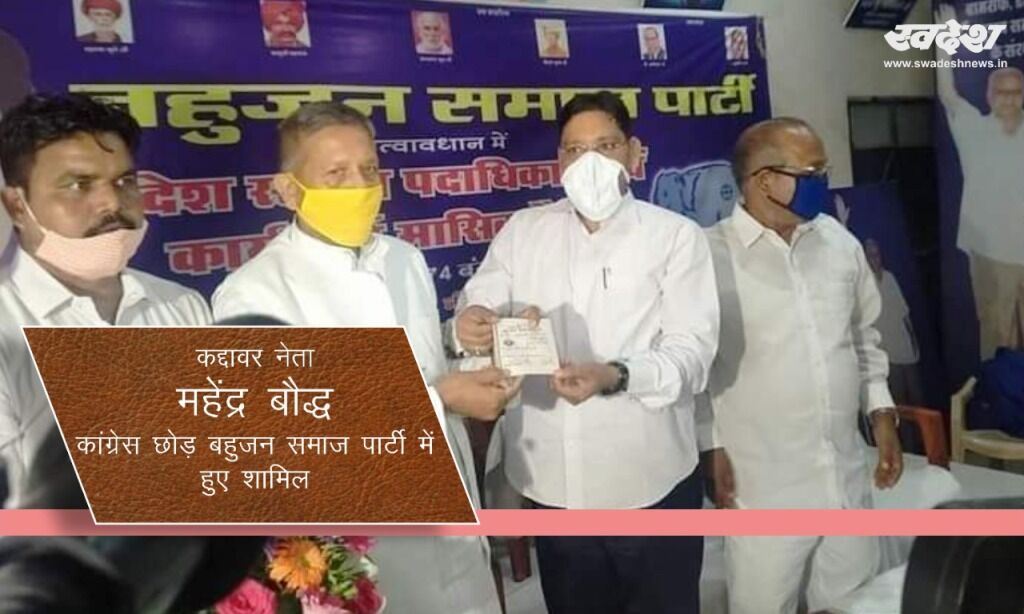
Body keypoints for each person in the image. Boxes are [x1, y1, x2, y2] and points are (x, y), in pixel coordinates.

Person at [212, 101, 509, 614]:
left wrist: (470, 360)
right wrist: (439, 399)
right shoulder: (253, 292)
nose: (359, 186)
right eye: (336, 174)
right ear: (288, 190)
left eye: (369, 169)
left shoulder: (404, 258)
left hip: (455, 522)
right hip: (367, 550)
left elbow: (423, 364)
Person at [454, 91, 719, 614]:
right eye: (575, 150)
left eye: (606, 145)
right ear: (559, 161)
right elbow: (480, 300)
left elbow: (691, 353)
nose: (590, 162)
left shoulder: (674, 237)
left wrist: (615, 375)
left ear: (634, 152)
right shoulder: (524, 231)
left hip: (650, 481)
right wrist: (474, 321)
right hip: (555, 487)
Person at [700, 117, 903, 614]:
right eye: (810, 173)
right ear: (764, 180)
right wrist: (710, 444)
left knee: (854, 604)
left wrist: (881, 414)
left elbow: (863, 337)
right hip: (764, 488)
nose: (822, 182)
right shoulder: (707, 256)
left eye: (823, 170)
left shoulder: (838, 243)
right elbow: (694, 367)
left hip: (844, 479)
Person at [0, 93, 212, 508]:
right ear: (17, 206)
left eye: (124, 181)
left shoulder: (182, 306)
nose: (113, 203)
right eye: (78, 185)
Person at [936, 3, 1024, 361]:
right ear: (989, 96)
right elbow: (948, 93)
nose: (1009, 99)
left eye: (1016, 92)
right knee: (999, 344)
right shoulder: (972, 127)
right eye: (1001, 92)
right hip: (992, 257)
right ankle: (1000, 396)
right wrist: (946, 40)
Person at [864, 239, 923, 407]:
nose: (875, 259)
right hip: (887, 354)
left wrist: (913, 341)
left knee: (918, 397)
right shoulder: (865, 286)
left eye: (876, 254)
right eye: (870, 255)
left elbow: (904, 313)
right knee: (900, 401)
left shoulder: (890, 277)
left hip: (905, 348)